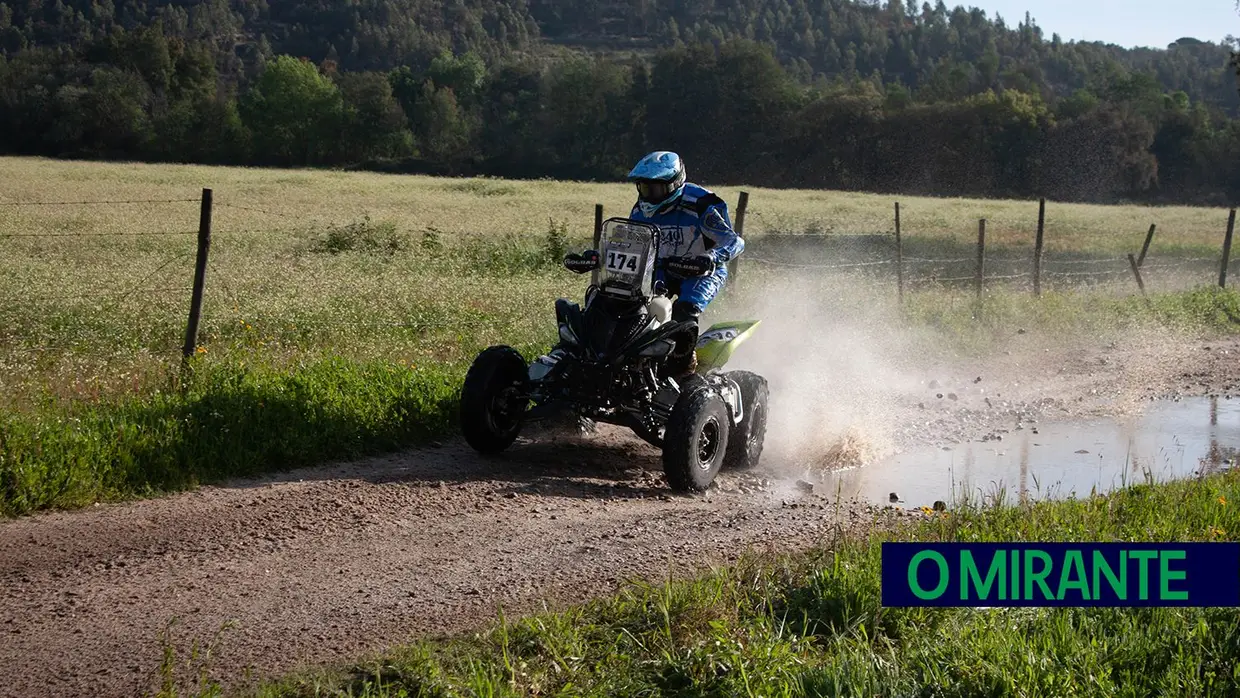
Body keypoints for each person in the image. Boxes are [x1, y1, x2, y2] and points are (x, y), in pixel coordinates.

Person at [625, 150, 745, 375]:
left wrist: (711, 258)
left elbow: (734, 241)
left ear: (675, 183)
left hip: (701, 271)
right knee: (634, 305)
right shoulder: (639, 210)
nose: (650, 195)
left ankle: (684, 370)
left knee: (684, 313)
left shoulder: (700, 205)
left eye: (657, 188)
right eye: (644, 187)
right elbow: (629, 241)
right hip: (662, 268)